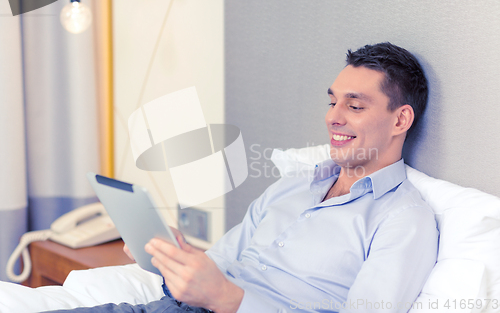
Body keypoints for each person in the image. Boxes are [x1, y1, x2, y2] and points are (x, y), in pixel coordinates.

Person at [52, 42, 438, 313]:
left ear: (400, 119)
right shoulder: (292, 186)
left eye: (354, 105)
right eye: (332, 101)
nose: (333, 116)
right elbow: (220, 265)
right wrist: (178, 260)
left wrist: (232, 301)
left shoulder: (404, 219)